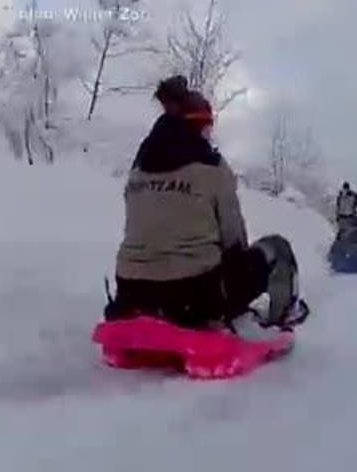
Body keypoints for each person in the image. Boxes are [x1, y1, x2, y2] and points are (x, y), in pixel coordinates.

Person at [105, 79, 308, 337]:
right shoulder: (213, 168)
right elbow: (233, 240)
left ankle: (149, 312)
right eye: (207, 127)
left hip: (132, 293)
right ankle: (282, 319)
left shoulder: (137, 171)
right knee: (277, 248)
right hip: (194, 299)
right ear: (198, 126)